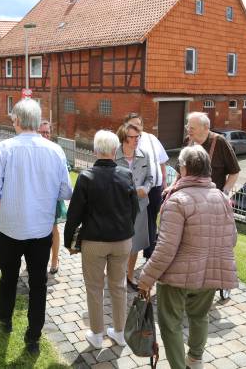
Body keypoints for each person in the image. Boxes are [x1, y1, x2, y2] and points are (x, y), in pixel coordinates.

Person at [0, 99, 73, 354]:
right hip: (40, 230)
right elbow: (66, 190)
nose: (13, 124)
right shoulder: (55, 150)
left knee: (9, 277)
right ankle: (33, 337)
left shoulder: (5, 149)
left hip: (10, 228)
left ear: (20, 121)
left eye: (13, 120)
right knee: (38, 284)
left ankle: (6, 317)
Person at [138, 145, 238, 369]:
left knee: (170, 323)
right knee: (199, 316)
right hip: (210, 272)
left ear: (184, 169)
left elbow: (165, 248)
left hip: (176, 277)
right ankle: (195, 360)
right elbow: (231, 239)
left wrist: (146, 278)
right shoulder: (221, 197)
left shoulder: (177, 200)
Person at [64, 130, 139, 349]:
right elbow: (134, 209)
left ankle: (96, 335)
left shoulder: (86, 177)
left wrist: (70, 243)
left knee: (94, 288)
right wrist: (126, 229)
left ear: (95, 150)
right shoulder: (126, 174)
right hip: (122, 240)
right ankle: (119, 332)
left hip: (94, 242)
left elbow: (74, 215)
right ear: (115, 151)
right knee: (119, 287)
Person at [124, 113, 169, 260]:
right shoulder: (125, 141)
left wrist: (164, 182)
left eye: (139, 124)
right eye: (133, 124)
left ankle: (149, 252)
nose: (137, 127)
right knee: (137, 221)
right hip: (137, 190)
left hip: (155, 188)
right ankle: (131, 250)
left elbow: (162, 161)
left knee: (151, 219)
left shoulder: (151, 138)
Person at [114, 123, 153, 290]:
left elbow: (150, 178)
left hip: (140, 206)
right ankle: (116, 274)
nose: (136, 140)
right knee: (117, 242)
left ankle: (130, 275)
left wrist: (146, 188)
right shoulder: (113, 155)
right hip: (118, 207)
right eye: (132, 137)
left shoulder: (144, 155)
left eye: (138, 137)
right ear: (124, 138)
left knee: (135, 243)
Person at [184, 112, 239, 193]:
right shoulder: (188, 141)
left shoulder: (220, 142)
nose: (188, 131)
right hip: (188, 195)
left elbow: (234, 172)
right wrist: (172, 187)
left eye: (192, 128)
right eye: (187, 127)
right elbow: (180, 170)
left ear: (205, 127)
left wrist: (224, 194)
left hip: (212, 199)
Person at [37, 120, 66, 274]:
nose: (45, 135)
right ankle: (36, 258)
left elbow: (65, 170)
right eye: (42, 132)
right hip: (35, 197)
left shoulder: (56, 150)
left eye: (47, 132)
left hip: (52, 196)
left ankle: (55, 259)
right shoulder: (33, 149)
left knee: (53, 229)